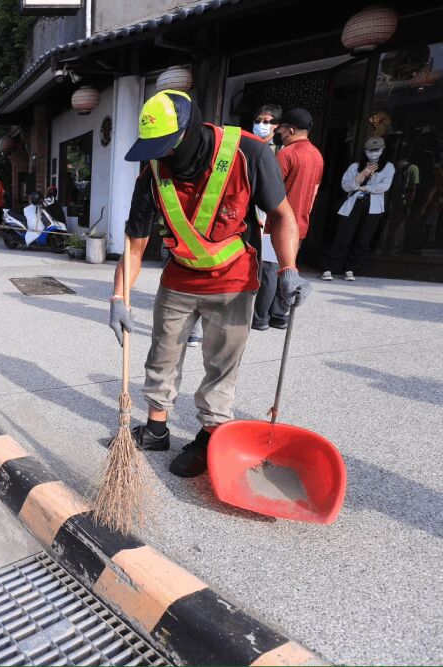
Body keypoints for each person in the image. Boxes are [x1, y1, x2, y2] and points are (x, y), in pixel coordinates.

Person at [109, 90, 310, 478]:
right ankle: (155, 428)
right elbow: (135, 244)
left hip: (233, 281)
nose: (162, 156)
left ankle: (209, 437)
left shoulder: (248, 153)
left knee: (221, 364)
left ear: (189, 131)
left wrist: (288, 268)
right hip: (179, 277)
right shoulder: (151, 172)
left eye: (168, 147)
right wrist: (119, 296)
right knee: (162, 354)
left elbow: (282, 215)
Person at [253, 108, 324, 330]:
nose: (279, 132)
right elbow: (313, 192)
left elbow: (270, 189)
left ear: (290, 130)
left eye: (282, 129)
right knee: (288, 266)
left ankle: (260, 318)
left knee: (269, 270)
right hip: (300, 222)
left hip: (277, 222)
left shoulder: (286, 153)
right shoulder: (317, 155)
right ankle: (280, 314)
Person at [321, 136, 395, 281]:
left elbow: (384, 187)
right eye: (370, 150)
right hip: (354, 204)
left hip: (373, 207)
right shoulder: (355, 166)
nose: (373, 153)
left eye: (377, 150)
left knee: (363, 238)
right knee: (343, 236)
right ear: (365, 151)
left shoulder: (388, 167)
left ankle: (350, 269)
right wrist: (363, 174)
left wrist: (363, 187)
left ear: (383, 150)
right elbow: (346, 186)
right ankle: (329, 267)